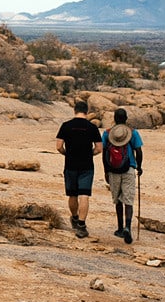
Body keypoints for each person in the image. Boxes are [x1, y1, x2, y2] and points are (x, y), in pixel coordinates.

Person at [56, 97, 103, 238]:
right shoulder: (92, 127)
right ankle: (82, 225)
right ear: (86, 112)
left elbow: (59, 146)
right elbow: (99, 148)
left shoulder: (66, 125)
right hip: (86, 165)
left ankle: (75, 217)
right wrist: (90, 154)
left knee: (72, 194)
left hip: (70, 164)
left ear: (75, 110)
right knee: (84, 195)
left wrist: (67, 153)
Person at [102, 107, 143, 244]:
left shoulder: (107, 134)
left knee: (117, 200)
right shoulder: (133, 133)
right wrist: (139, 166)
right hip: (128, 169)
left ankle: (119, 228)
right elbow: (139, 151)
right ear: (126, 119)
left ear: (114, 118)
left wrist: (106, 171)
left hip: (113, 170)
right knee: (128, 200)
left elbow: (104, 154)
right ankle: (127, 227)